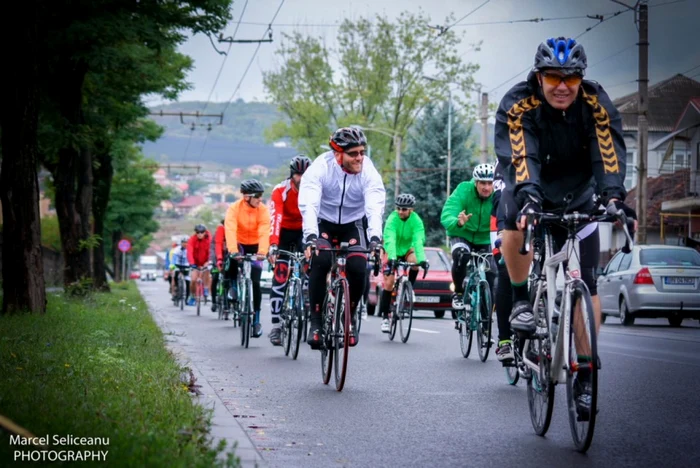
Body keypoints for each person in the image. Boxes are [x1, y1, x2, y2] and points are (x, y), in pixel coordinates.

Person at [494, 36, 637, 418]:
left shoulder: (595, 102)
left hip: (578, 192)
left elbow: (608, 154)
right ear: (539, 77)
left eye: (571, 79)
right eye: (553, 77)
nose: (562, 86)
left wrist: (613, 198)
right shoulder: (518, 102)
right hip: (529, 185)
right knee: (514, 220)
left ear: (581, 79)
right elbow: (521, 154)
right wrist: (529, 196)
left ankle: (586, 374)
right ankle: (523, 300)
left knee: (586, 282)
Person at [299, 126, 385, 349]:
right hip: (323, 221)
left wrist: (375, 238)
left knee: (358, 265)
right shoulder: (320, 168)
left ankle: (350, 317)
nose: (360, 158)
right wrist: (310, 236)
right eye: (353, 153)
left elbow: (374, 207)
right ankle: (316, 321)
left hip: (353, 223)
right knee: (320, 260)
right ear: (338, 154)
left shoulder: (368, 171)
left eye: (362, 152)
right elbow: (309, 204)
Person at [440, 163, 496, 326]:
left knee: (491, 273)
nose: (486, 187)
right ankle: (458, 292)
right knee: (460, 255)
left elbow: (505, 215)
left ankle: (486, 323)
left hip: (485, 238)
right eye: (482, 183)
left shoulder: (497, 194)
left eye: (489, 183)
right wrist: (457, 221)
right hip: (462, 233)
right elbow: (447, 213)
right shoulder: (464, 190)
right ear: (475, 183)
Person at [267, 154, 312, 346]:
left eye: (305, 175)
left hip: (304, 231)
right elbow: (275, 218)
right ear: (292, 175)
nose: (301, 179)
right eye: (298, 175)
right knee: (280, 275)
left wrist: (313, 242)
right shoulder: (280, 190)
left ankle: (311, 315)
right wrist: (274, 245)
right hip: (284, 233)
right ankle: (276, 326)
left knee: (313, 270)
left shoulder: (314, 189)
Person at [225, 179, 271, 338]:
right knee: (230, 259)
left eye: (261, 196)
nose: (260, 199)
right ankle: (233, 288)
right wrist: (233, 250)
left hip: (256, 245)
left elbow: (265, 231)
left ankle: (256, 321)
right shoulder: (234, 208)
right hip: (239, 243)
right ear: (246, 197)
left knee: (256, 282)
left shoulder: (263, 210)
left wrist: (262, 252)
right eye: (257, 196)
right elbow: (230, 229)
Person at [378, 193, 428, 333]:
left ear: (411, 209)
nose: (400, 211)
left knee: (415, 262)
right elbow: (390, 239)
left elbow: (418, 240)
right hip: (392, 249)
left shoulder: (416, 220)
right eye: (399, 208)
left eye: (404, 209)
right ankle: (385, 318)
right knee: (389, 283)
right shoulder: (392, 218)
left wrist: (422, 259)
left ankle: (409, 288)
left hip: (407, 249)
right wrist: (392, 257)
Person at [187, 224, 213, 306]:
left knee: (206, 272)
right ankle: (192, 296)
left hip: (205, 261)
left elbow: (211, 252)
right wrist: (192, 263)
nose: (199, 234)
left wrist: (208, 262)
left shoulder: (209, 239)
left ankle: (206, 288)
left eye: (202, 232)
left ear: (205, 232)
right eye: (197, 232)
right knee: (193, 280)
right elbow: (189, 252)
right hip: (195, 263)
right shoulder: (192, 239)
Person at [210, 220, 226, 313]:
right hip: (217, 259)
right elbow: (212, 248)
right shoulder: (217, 234)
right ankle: (214, 302)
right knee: (215, 278)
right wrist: (213, 260)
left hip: (227, 258)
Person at [170, 237, 191, 302]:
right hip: (178, 264)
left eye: (186, 242)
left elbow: (192, 257)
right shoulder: (177, 249)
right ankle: (176, 287)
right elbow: (174, 258)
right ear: (181, 243)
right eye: (183, 242)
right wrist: (172, 264)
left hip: (186, 265)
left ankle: (187, 298)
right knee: (175, 275)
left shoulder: (190, 249)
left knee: (188, 282)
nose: (185, 244)